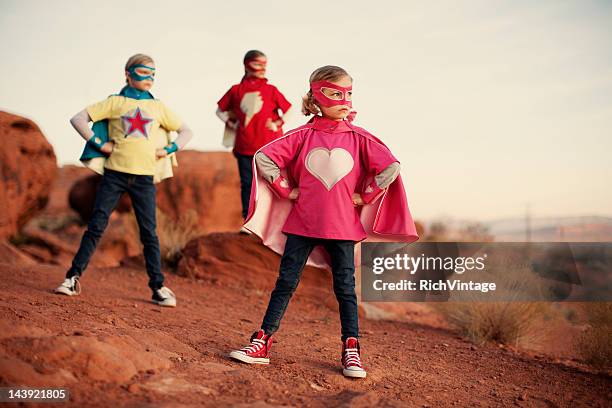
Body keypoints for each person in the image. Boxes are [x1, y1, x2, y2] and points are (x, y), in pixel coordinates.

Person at [229, 65, 419, 378]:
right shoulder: (303, 136)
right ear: (318, 97)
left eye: (349, 94)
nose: (344, 100)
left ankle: (351, 349)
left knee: (345, 288)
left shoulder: (360, 139)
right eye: (335, 94)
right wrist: (285, 190)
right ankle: (262, 341)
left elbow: (391, 167)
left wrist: (366, 195)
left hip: (343, 227)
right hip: (302, 224)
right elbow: (264, 158)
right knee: (285, 283)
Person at [54, 53, 193, 307]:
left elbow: (186, 131)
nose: (149, 77)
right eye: (143, 72)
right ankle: (72, 278)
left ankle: (158, 287)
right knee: (96, 225)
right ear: (128, 74)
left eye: (153, 72)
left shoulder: (158, 107)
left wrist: (168, 149)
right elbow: (78, 119)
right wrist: (100, 144)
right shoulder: (115, 102)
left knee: (149, 233)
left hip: (144, 179)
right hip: (115, 175)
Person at [216, 50, 292, 223]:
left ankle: (274, 221)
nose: (262, 68)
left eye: (264, 64)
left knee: (273, 183)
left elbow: (289, 109)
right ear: (246, 64)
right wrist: (231, 123)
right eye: (258, 63)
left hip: (271, 148)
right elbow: (219, 110)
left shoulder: (271, 90)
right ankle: (249, 220)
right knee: (248, 184)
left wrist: (278, 123)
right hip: (245, 146)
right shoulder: (236, 90)